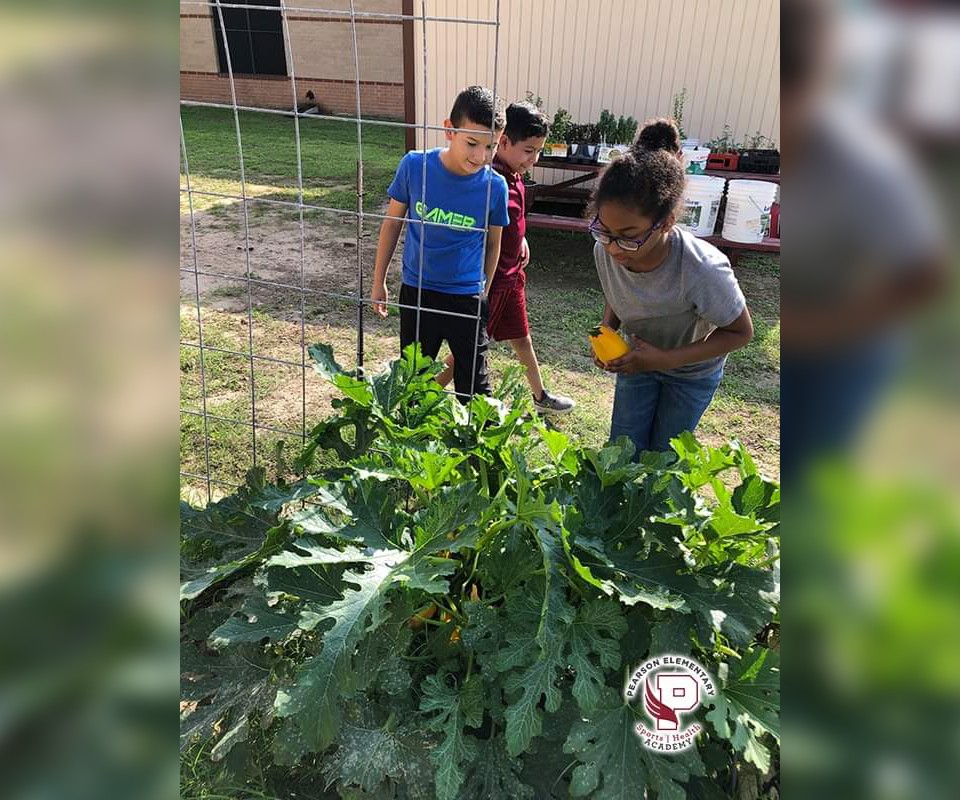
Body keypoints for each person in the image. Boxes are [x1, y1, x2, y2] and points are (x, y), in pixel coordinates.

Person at [590, 118, 754, 456]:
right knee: (623, 451)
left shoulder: (702, 269)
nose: (614, 247)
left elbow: (740, 333)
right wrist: (606, 332)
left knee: (664, 459)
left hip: (691, 374)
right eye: (604, 231)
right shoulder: (603, 249)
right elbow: (616, 292)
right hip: (637, 363)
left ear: (666, 223)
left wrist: (664, 360)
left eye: (629, 237)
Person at [371, 85, 509, 400]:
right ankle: (410, 443)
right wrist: (379, 280)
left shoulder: (495, 187)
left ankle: (472, 447)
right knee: (412, 384)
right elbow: (392, 224)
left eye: (492, 146)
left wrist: (482, 293)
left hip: (466, 297)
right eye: (472, 143)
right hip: (418, 292)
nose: (480, 156)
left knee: (474, 389)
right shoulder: (414, 166)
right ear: (449, 130)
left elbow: (493, 244)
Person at [438, 102, 575, 413]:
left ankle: (541, 397)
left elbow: (506, 221)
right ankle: (416, 400)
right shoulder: (487, 181)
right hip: (492, 285)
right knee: (466, 350)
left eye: (538, 151)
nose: (533, 159)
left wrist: (520, 237)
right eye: (528, 150)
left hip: (513, 280)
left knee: (522, 338)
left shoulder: (514, 176)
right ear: (503, 142)